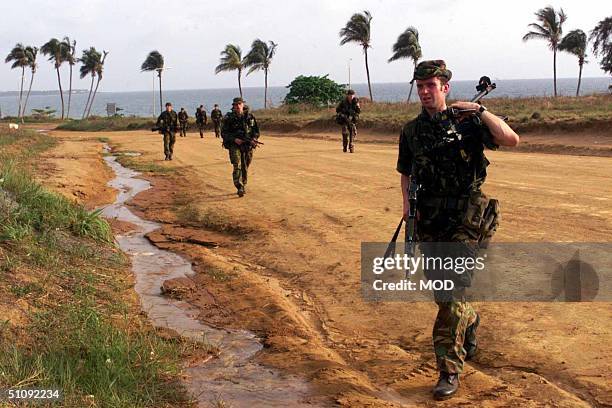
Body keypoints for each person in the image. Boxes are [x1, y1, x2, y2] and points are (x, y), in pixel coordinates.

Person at [396, 60, 519, 400]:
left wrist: (480, 110)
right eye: (419, 86)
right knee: (445, 295)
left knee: (450, 297)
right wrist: (407, 207)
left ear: (444, 88)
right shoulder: (411, 131)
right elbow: (405, 172)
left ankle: (449, 371)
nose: (424, 92)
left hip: (468, 220)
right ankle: (471, 320)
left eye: (430, 86)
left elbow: (511, 139)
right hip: (430, 222)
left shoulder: (468, 121)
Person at [221, 97, 260, 197]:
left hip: (247, 145)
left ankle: (243, 184)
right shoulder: (229, 118)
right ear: (233, 106)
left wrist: (254, 139)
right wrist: (234, 139)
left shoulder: (250, 117)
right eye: (236, 104)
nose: (238, 106)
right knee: (237, 164)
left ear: (243, 105)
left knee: (245, 166)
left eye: (239, 104)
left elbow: (256, 131)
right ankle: (239, 186)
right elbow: (224, 133)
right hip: (235, 145)